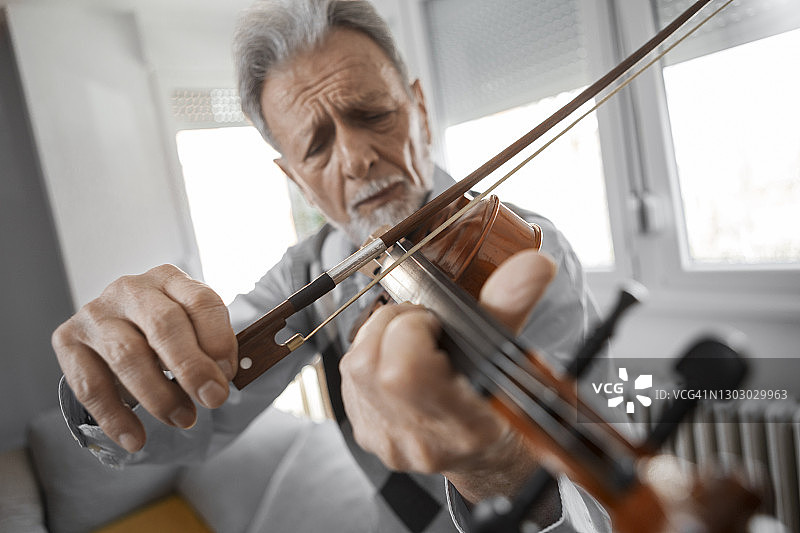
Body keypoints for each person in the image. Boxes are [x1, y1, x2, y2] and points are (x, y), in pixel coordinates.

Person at [52, 0, 609, 531]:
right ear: (297, 181)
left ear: (419, 110)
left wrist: (502, 465)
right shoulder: (308, 271)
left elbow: (593, 481)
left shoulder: (521, 250)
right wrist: (108, 383)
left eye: (373, 114)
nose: (356, 157)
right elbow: (190, 417)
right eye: (316, 146)